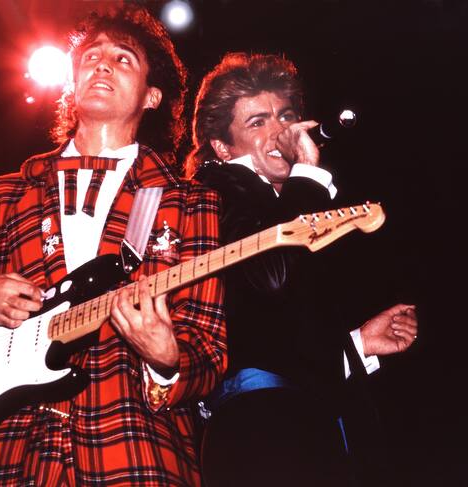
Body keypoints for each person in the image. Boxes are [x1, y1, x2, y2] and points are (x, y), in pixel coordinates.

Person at [0, 6, 226, 486]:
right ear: (72, 82)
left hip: (133, 450)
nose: (103, 64)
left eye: (123, 58)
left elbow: (209, 348)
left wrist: (167, 360)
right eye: (91, 56)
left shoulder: (188, 202)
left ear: (152, 96)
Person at [185, 52, 419, 486]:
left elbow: (271, 331)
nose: (279, 131)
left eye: (286, 116)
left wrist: (358, 344)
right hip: (259, 434)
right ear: (223, 146)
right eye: (257, 122)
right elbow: (272, 276)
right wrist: (308, 173)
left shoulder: (281, 202)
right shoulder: (215, 191)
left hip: (298, 427)